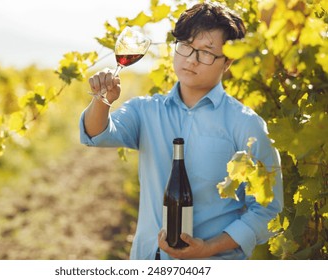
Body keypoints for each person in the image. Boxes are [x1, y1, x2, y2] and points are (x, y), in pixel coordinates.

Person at [79, 1, 283, 260]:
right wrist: (101, 99)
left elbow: (267, 208)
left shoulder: (246, 124)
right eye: (185, 46)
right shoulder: (146, 110)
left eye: (206, 52)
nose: (191, 60)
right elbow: (95, 135)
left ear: (227, 62)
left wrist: (209, 248)